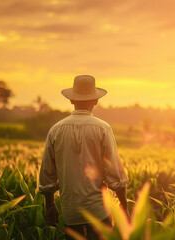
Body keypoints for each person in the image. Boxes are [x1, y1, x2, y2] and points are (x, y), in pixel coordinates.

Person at [39, 75, 129, 240]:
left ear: (72, 100)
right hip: (99, 211)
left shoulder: (55, 130)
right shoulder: (103, 129)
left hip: (70, 211)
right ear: (95, 100)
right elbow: (115, 174)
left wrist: (50, 205)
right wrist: (124, 208)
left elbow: (47, 174)